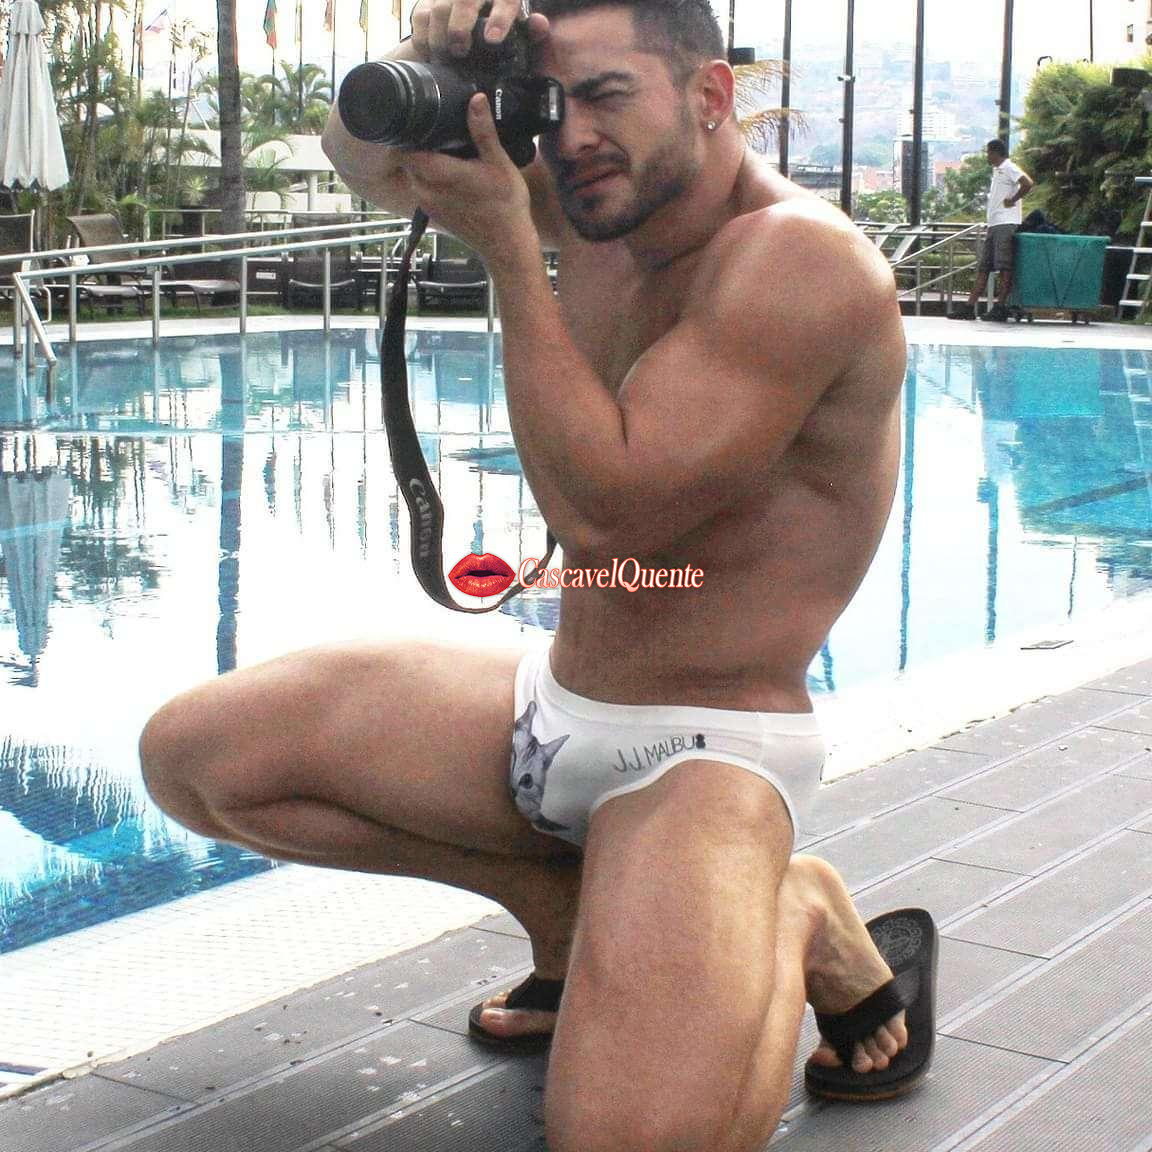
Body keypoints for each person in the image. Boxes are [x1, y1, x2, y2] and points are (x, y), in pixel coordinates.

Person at [138, 2, 938, 1149]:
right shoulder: (598, 199)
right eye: (554, 104)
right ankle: (563, 908)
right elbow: (362, 155)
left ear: (709, 95)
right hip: (553, 703)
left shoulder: (800, 263)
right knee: (197, 760)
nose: (572, 137)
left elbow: (609, 515)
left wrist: (512, 250)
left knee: (627, 1140)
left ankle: (796, 909)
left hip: (702, 749)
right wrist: (429, 62)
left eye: (608, 95)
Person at [954, 138, 1034, 322]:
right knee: (985, 266)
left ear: (996, 152)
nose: (987, 156)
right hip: (994, 224)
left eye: (988, 152)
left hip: (1006, 223)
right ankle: (969, 307)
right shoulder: (997, 171)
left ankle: (1000, 306)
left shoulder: (1009, 167)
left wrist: (1013, 200)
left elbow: (1028, 183)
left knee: (1004, 266)